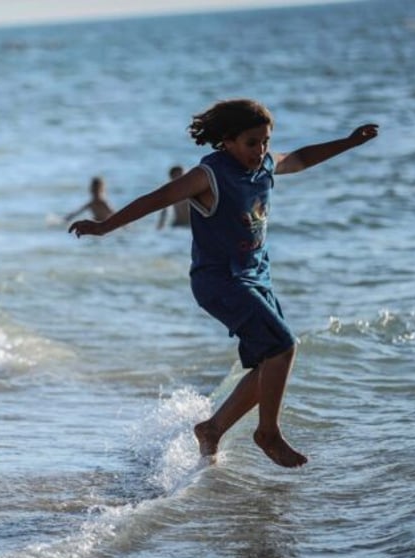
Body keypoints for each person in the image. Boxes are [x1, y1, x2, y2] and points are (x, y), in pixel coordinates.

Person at [69, 98, 378, 468]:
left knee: (269, 363)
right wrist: (104, 227)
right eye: (252, 142)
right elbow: (156, 199)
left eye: (265, 141)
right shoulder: (209, 175)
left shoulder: (264, 165)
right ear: (227, 141)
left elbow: (300, 158)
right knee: (283, 346)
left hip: (256, 276)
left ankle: (213, 428)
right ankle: (268, 433)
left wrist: (348, 142)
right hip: (220, 281)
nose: (261, 150)